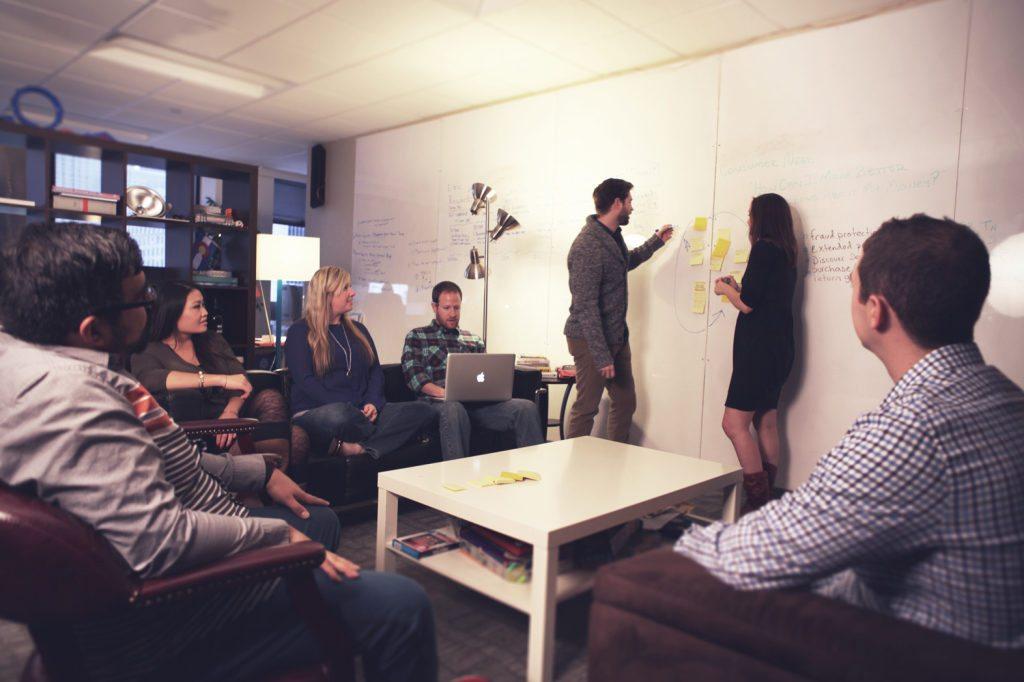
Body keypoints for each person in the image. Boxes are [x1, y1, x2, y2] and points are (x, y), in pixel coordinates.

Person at [0, 223, 438, 681]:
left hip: (188, 539)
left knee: (322, 520)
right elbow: (159, 542)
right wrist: (277, 537)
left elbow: (164, 459)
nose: (152, 306)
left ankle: (309, 613)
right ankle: (301, 611)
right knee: (402, 603)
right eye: (142, 299)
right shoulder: (75, 401)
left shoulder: (40, 364)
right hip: (176, 616)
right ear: (92, 330)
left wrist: (259, 473)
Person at [676, 214, 1024, 649]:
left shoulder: (907, 435)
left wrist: (671, 544)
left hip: (922, 654)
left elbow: (741, 558)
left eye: (852, 282)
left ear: (875, 310)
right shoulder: (1007, 400)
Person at [285, 266, 436, 465]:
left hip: (361, 411)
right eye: (345, 288)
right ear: (327, 295)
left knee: (424, 410)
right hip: (319, 411)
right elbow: (306, 381)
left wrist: (372, 403)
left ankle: (361, 448)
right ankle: (377, 434)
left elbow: (375, 372)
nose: (352, 292)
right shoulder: (299, 331)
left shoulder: (359, 330)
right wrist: (352, 408)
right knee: (339, 414)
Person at [564, 178, 673, 442]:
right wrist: (602, 356)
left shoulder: (611, 236)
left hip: (615, 337)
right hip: (590, 339)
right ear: (617, 203)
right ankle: (572, 460)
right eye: (629, 201)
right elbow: (586, 307)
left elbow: (625, 261)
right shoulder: (587, 245)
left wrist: (656, 242)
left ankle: (616, 458)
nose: (632, 207)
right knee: (586, 407)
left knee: (625, 401)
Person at [132, 281, 291, 462]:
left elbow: (241, 381)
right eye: (196, 307)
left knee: (272, 400)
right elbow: (150, 379)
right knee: (285, 439)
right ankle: (242, 469)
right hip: (198, 431)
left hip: (232, 420)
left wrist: (230, 414)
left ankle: (257, 472)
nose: (205, 312)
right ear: (172, 311)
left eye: (204, 305)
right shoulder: (149, 349)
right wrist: (219, 379)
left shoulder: (212, 340)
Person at [713, 193, 797, 512]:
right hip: (780, 349)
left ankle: (758, 504)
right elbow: (760, 296)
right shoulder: (787, 252)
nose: (748, 220)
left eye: (751, 214)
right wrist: (738, 288)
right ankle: (767, 504)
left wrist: (725, 290)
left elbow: (748, 305)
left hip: (758, 351)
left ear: (762, 217)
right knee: (766, 422)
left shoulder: (763, 248)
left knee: (733, 425)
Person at [401, 281, 544, 460]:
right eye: (447, 308)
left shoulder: (474, 339)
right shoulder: (417, 336)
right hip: (437, 405)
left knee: (526, 407)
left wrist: (492, 390)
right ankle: (457, 474)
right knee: (454, 408)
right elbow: (414, 377)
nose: (453, 313)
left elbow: (485, 375)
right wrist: (446, 393)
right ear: (434, 307)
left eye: (456, 308)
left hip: (477, 407)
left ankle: (533, 469)